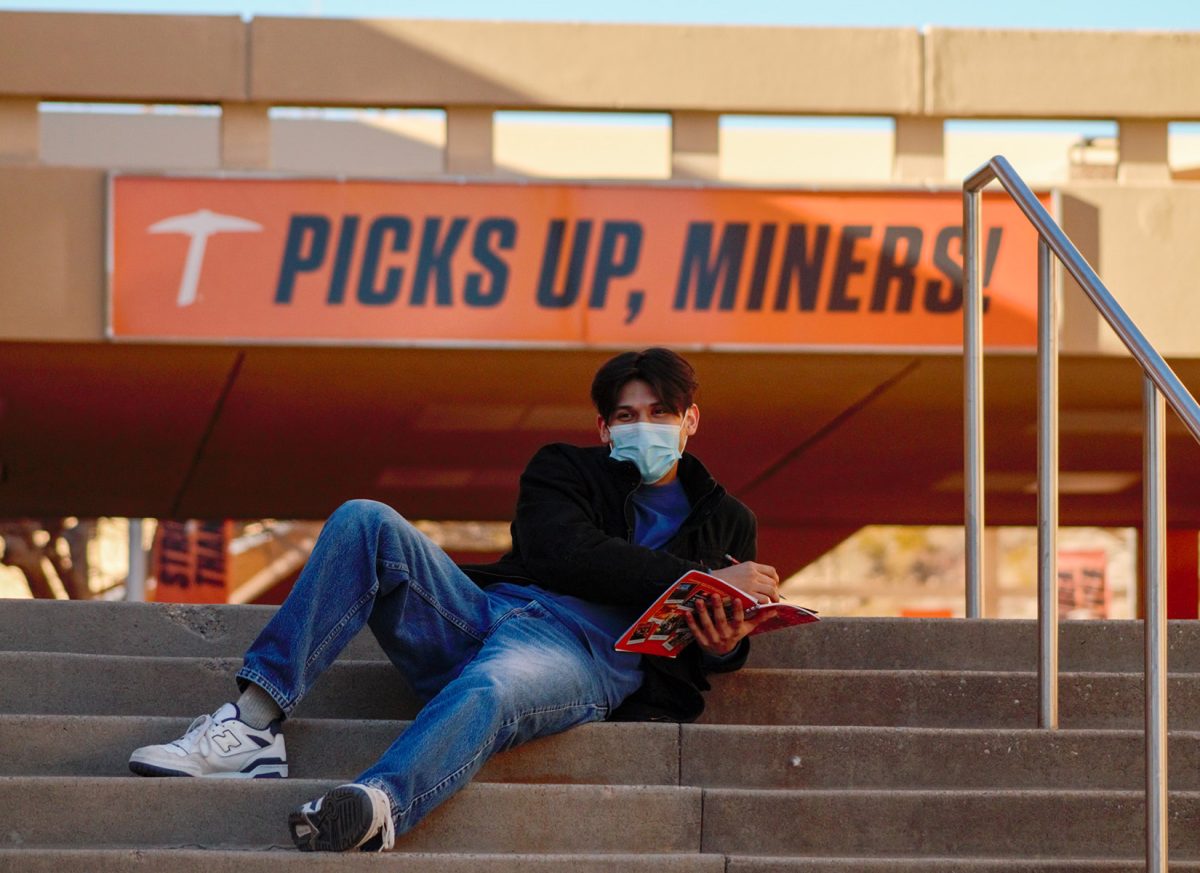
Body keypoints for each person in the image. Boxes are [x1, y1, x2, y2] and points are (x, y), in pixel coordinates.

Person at [128, 347, 781, 852]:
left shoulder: (731, 520)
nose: (645, 428)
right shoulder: (564, 467)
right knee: (365, 518)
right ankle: (251, 723)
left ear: (690, 418)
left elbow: (709, 647)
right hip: (481, 611)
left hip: (583, 655)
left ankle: (377, 805)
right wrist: (688, 576)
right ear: (604, 427)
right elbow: (563, 550)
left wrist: (725, 643)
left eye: (661, 414)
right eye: (628, 416)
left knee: (493, 685)